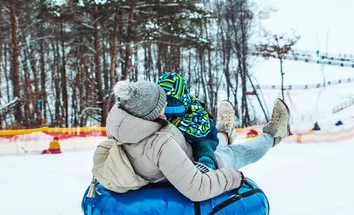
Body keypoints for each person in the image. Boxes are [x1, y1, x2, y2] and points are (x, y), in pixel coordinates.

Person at [100, 80, 290, 202]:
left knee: (211, 143)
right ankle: (273, 134)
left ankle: (224, 132)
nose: (166, 106)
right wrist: (233, 177)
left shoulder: (120, 128)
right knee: (235, 153)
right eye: (162, 105)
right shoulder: (160, 144)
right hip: (197, 166)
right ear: (150, 113)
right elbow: (198, 188)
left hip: (182, 157)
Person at [157, 72, 227, 170]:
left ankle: (207, 162)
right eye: (166, 109)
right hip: (182, 139)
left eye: (175, 108)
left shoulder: (196, 110)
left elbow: (200, 132)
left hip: (205, 136)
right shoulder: (157, 107)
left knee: (203, 146)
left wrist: (182, 127)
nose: (169, 115)